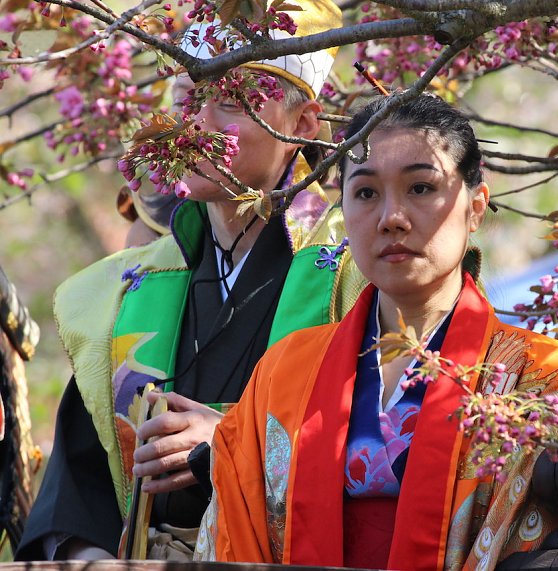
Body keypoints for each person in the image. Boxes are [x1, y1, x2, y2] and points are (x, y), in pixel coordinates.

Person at [16, 0, 365, 560]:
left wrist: (224, 444)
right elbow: (79, 485)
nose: (198, 127)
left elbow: (375, 450)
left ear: (302, 124)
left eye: (230, 103)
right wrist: (86, 557)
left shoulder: (353, 276)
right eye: (189, 101)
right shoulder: (122, 288)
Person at [194, 94, 558, 570]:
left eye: (420, 188)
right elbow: (238, 523)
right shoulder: (284, 369)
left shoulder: (536, 373)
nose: (391, 217)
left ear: (476, 206)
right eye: (366, 193)